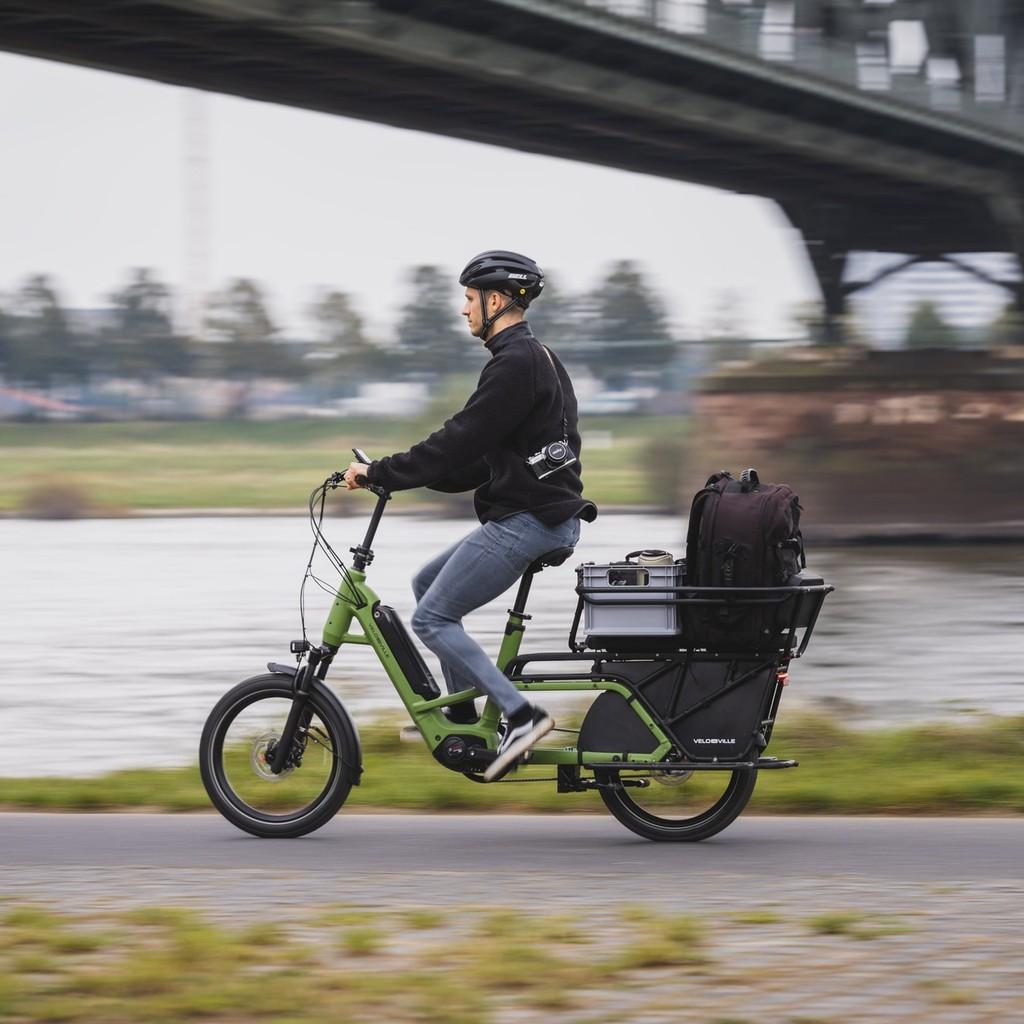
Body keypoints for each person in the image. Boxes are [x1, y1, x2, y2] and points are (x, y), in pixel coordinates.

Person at [343, 250, 597, 781]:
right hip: (539, 513)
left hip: (530, 519)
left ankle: (522, 716)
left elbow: (461, 436)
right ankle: (459, 711)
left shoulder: (515, 363)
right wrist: (404, 478)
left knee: (431, 619)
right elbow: (480, 457)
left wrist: (383, 473)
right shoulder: (537, 358)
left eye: (468, 298)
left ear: (496, 300)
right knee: (425, 581)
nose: (464, 309)